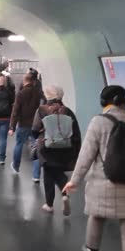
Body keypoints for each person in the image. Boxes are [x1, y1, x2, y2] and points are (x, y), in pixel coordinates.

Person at [62, 85, 125, 251]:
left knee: (97, 213)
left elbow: (86, 155)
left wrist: (74, 180)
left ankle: (91, 249)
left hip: (103, 182)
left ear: (104, 101)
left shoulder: (99, 122)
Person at [32, 85, 81, 215]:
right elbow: (75, 133)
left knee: (50, 172)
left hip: (46, 148)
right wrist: (76, 149)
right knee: (55, 171)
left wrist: (40, 134)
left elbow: (35, 130)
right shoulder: (68, 111)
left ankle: (55, 200)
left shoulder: (42, 110)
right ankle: (57, 199)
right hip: (65, 148)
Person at [9, 72, 43, 182]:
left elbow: (15, 111)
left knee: (18, 144)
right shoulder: (39, 94)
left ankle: (16, 166)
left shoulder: (21, 93)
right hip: (36, 125)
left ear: (24, 81)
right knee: (36, 148)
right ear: (34, 81)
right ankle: (36, 175)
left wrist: (12, 127)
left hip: (23, 124)